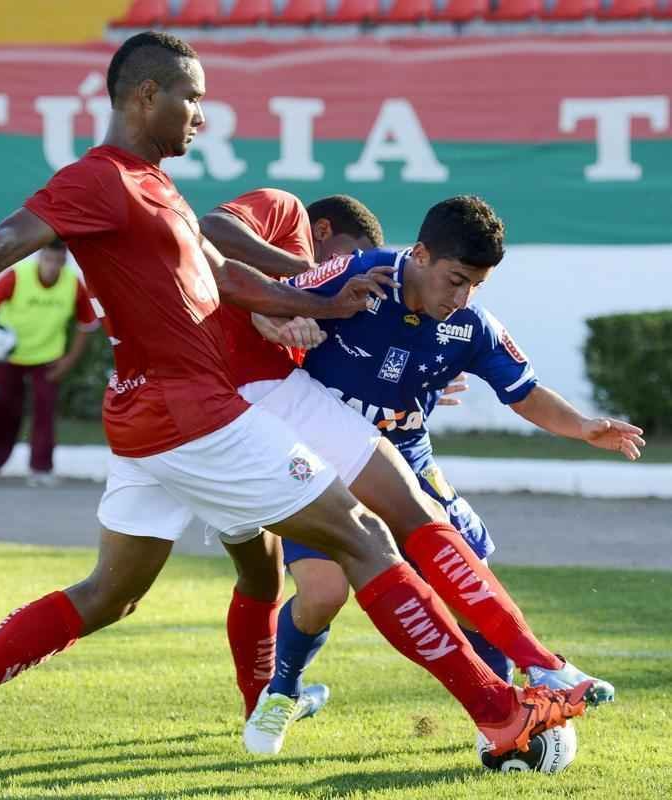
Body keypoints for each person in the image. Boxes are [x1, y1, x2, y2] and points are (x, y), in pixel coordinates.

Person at [0, 32, 591, 768]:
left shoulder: (158, 188)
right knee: (365, 537)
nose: (201, 115)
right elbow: (17, 231)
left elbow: (229, 283)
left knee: (111, 593)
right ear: (146, 95)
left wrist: (320, 307)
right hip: (192, 414)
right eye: (192, 98)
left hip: (149, 417)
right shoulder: (101, 178)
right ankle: (500, 715)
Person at [198, 190, 641, 755]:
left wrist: (581, 427)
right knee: (323, 591)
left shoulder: (472, 325)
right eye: (456, 279)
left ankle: (505, 713)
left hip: (407, 462)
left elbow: (523, 392)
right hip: (319, 464)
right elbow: (265, 301)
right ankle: (284, 690)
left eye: (476, 284)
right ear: (422, 255)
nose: (463, 296)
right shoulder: (356, 274)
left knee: (469, 584)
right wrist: (278, 323)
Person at [0, 238, 99, 485]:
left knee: (44, 412)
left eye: (58, 261)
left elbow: (88, 324)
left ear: (65, 261)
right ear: (39, 257)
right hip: (8, 355)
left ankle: (41, 469)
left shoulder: (72, 284)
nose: (52, 266)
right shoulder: (17, 276)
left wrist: (68, 360)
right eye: (48, 259)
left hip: (47, 358)